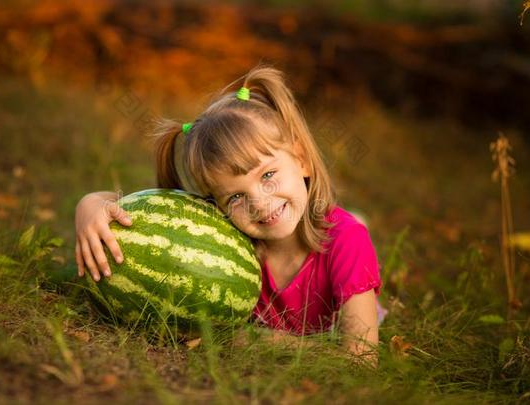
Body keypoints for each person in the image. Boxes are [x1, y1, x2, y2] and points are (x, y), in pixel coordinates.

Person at [75, 64, 386, 364]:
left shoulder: (346, 244)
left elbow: (362, 360)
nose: (260, 204)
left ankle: (355, 223)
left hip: (342, 268)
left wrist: (254, 340)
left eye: (267, 175)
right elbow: (123, 206)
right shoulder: (228, 235)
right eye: (236, 196)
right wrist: (89, 207)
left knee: (350, 228)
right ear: (216, 205)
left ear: (301, 159)